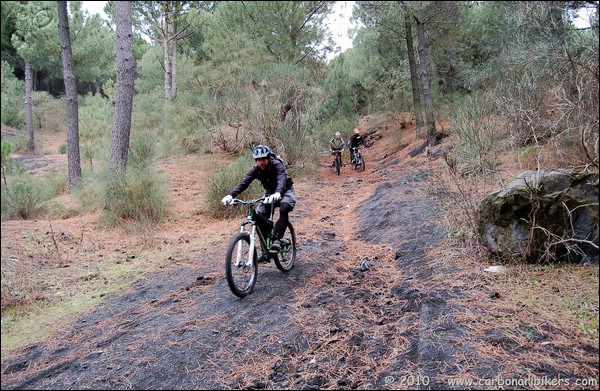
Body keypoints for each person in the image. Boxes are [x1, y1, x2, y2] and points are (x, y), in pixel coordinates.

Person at [221, 145, 296, 252]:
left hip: (285, 190)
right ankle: (265, 251)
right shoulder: (255, 170)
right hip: (269, 193)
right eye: (258, 160)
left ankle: (278, 240)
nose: (261, 162)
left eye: (264, 159)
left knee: (284, 208)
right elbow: (243, 183)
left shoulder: (277, 164)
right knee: (260, 218)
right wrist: (230, 195)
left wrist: (278, 192)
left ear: (268, 158)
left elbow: (281, 178)